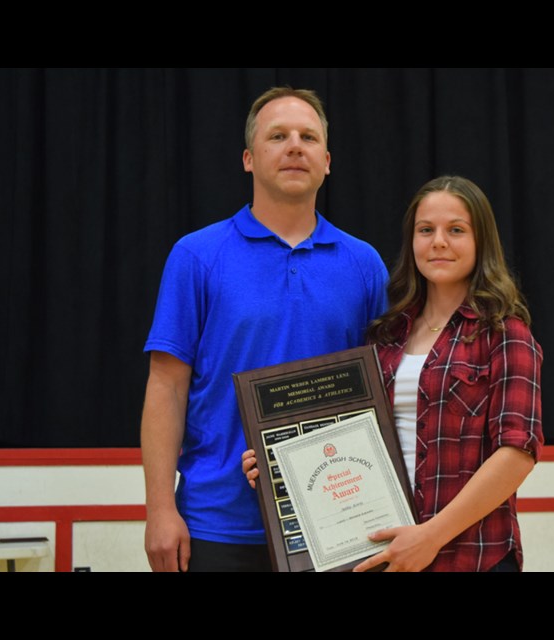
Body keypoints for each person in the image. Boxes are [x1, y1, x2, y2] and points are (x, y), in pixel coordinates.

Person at [142, 87, 388, 572]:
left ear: (328, 160)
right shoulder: (196, 256)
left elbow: (381, 388)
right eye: (278, 136)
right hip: (218, 523)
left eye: (308, 137)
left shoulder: (365, 264)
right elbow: (166, 386)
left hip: (338, 521)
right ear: (249, 159)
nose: (295, 146)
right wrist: (159, 510)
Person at [243, 175, 543, 572]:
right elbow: (346, 442)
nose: (438, 241)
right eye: (425, 230)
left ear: (481, 242)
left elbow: (517, 453)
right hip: (387, 554)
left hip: (474, 556)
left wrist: (431, 536)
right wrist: (280, 461)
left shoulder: (505, 333)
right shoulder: (386, 336)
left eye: (456, 230)